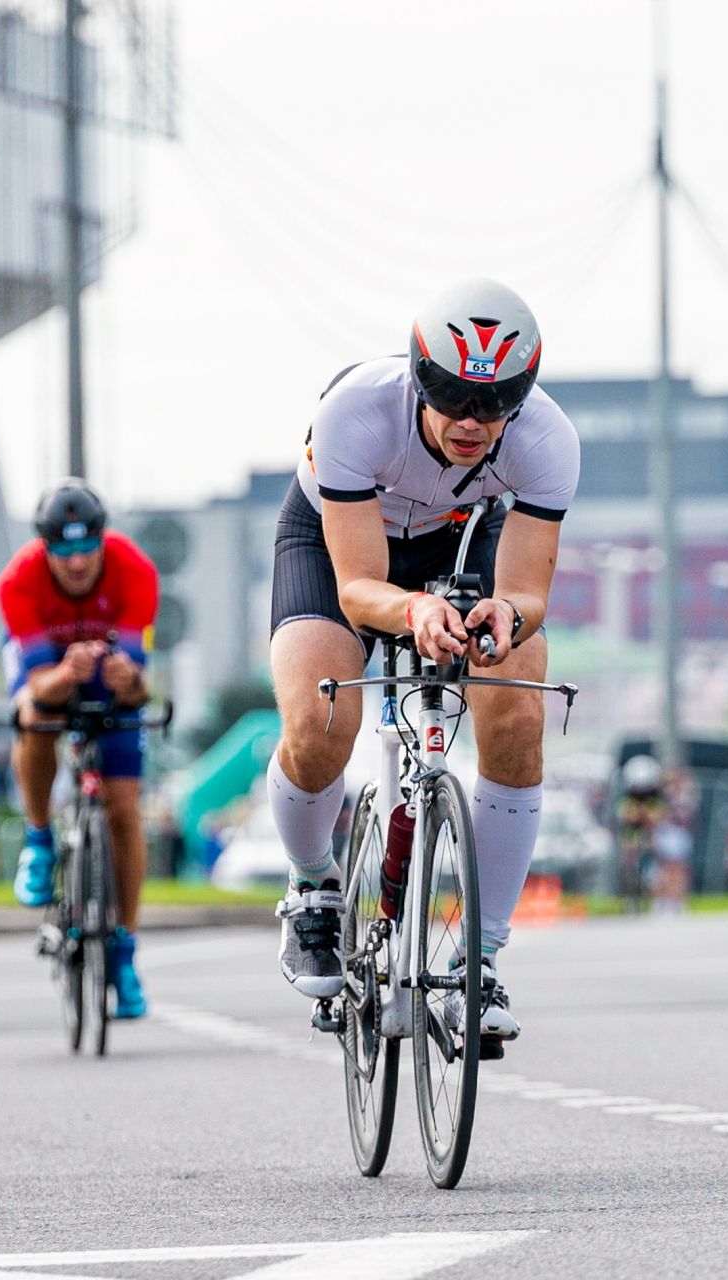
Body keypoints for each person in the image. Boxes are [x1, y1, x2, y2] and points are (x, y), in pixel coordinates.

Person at [266, 278, 579, 1055]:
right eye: (451, 395)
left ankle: (481, 962)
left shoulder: (548, 440)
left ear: (522, 396)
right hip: (339, 544)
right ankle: (313, 885)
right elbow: (358, 587)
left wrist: (505, 614)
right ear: (418, 377)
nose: (472, 421)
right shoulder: (356, 411)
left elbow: (527, 592)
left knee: (519, 710)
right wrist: (414, 612)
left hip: (461, 539)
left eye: (495, 402)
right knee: (320, 720)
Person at [0, 478, 160, 1018]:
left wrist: (126, 678)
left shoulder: (135, 570)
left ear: (102, 538)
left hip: (108, 684)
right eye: (63, 551)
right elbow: (36, 687)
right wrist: (67, 673)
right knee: (34, 717)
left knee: (123, 810)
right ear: (44, 547)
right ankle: (39, 838)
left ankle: (125, 953)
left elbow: (139, 690)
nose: (76, 561)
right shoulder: (18, 581)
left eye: (87, 546)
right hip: (50, 677)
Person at [614, 755, 666, 912]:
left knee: (651, 871)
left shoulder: (655, 800)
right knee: (629, 869)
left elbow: (656, 818)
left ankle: (651, 899)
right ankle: (629, 898)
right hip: (631, 839)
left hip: (649, 839)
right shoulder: (627, 800)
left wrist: (644, 816)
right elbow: (626, 815)